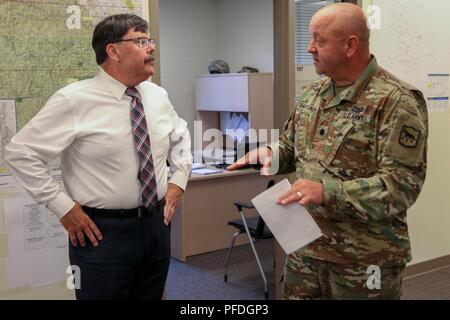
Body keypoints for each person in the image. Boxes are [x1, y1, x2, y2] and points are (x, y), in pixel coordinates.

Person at [228, 3, 428, 299]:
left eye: (319, 40)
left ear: (350, 45)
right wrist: (271, 153)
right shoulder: (313, 94)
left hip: (363, 261)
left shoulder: (396, 101)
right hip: (305, 250)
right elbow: (291, 146)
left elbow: (401, 186)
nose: (309, 48)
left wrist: (327, 192)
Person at [5, 14, 192, 300]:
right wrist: (63, 207)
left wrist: (179, 181)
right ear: (113, 51)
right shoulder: (74, 100)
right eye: (141, 40)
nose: (151, 47)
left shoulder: (156, 95)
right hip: (101, 235)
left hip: (157, 227)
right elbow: (20, 153)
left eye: (150, 40)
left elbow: (180, 133)